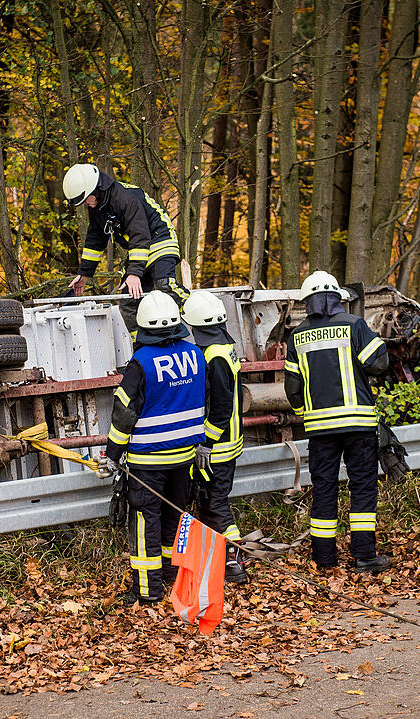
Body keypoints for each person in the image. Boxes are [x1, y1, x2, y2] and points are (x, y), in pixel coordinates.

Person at [99, 291, 206, 604]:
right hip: (184, 457)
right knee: (174, 518)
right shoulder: (195, 354)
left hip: (148, 461)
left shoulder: (141, 363)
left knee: (146, 525)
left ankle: (147, 592)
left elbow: (123, 413)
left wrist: (112, 456)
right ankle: (173, 579)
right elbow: (205, 400)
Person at [284, 271, 392, 574]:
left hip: (320, 428)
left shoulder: (297, 336)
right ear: (337, 298)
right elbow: (379, 364)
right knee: (362, 488)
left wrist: (306, 412)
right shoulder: (354, 325)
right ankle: (364, 556)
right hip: (358, 424)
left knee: (324, 489)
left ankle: (324, 559)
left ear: (307, 302)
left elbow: (292, 388)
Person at [62, 164, 189, 336]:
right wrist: (84, 274)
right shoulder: (98, 207)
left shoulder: (125, 198)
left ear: (94, 189)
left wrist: (134, 273)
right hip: (140, 249)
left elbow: (139, 234)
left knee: (164, 285)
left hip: (160, 239)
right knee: (129, 301)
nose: (86, 205)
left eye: (85, 200)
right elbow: (95, 240)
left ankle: (197, 309)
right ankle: (140, 345)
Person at [181, 291, 249, 584]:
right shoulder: (224, 346)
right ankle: (229, 559)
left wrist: (206, 443)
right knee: (213, 503)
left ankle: (234, 562)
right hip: (228, 439)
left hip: (218, 445)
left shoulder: (214, 355)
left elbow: (220, 406)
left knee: (214, 504)